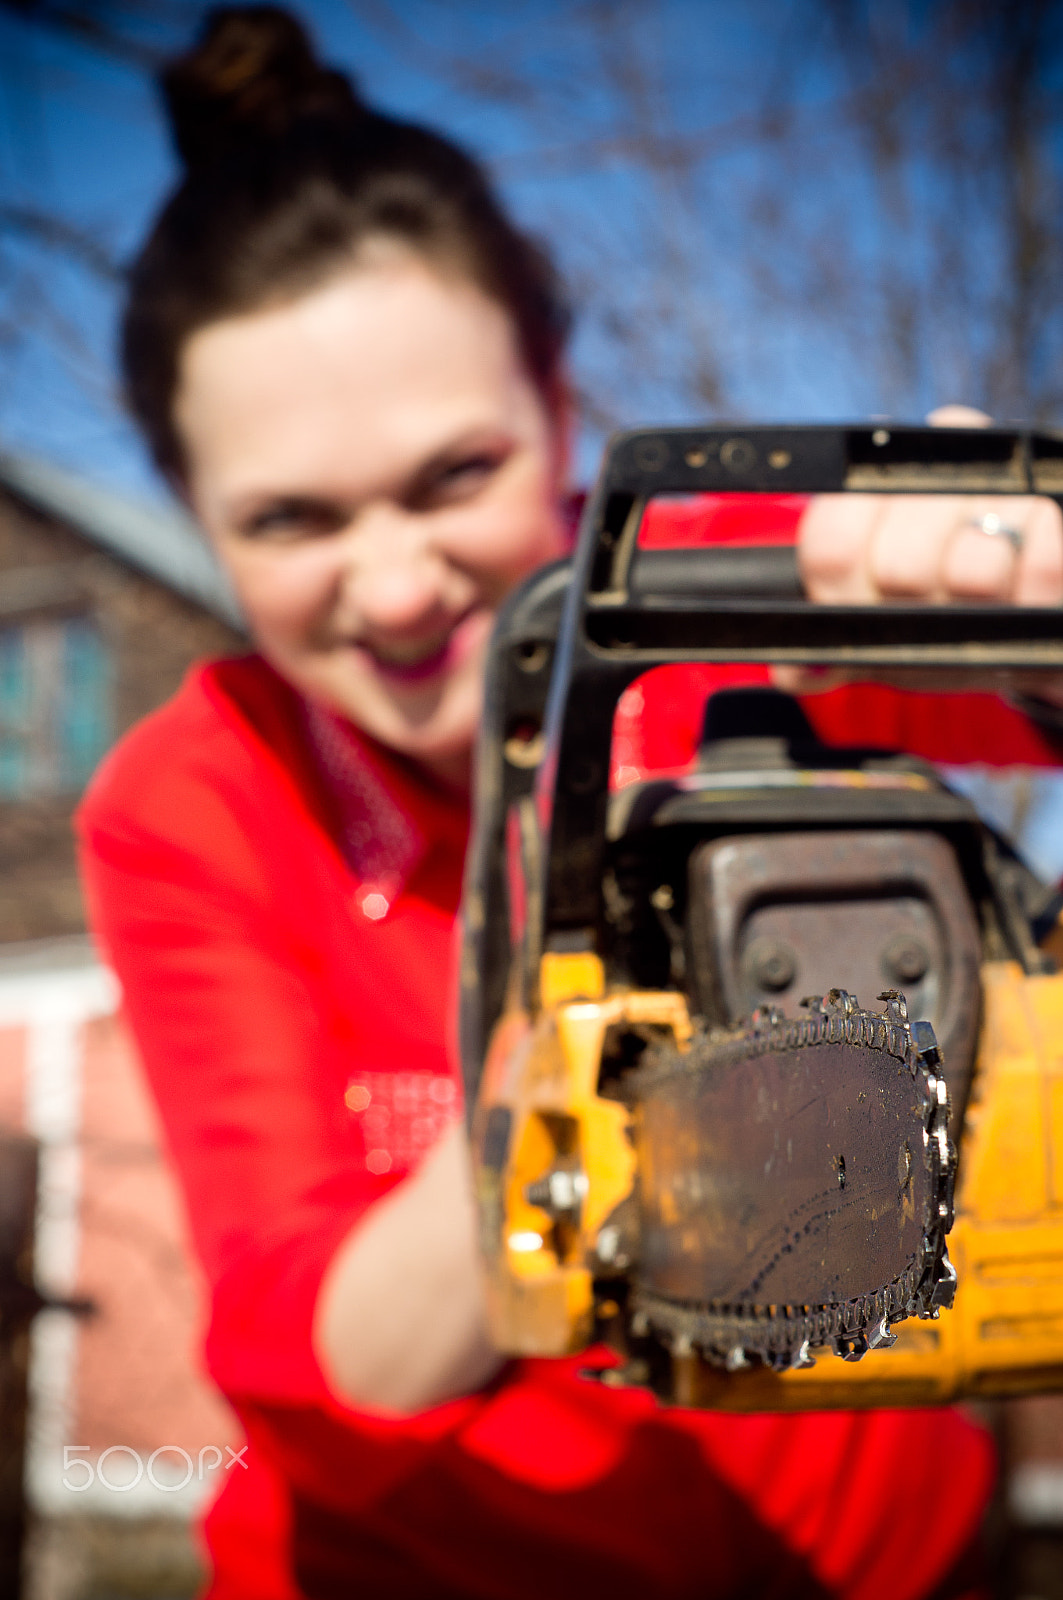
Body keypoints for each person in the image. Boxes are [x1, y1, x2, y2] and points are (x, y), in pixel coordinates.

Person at [77, 8, 1062, 1598]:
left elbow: (961, 646)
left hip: (886, 1560)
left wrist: (999, 604)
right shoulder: (189, 803)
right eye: (291, 521)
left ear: (558, 407)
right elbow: (315, 1340)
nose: (396, 586)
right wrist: (590, 1059)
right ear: (194, 511)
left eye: (454, 476)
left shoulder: (702, 589)